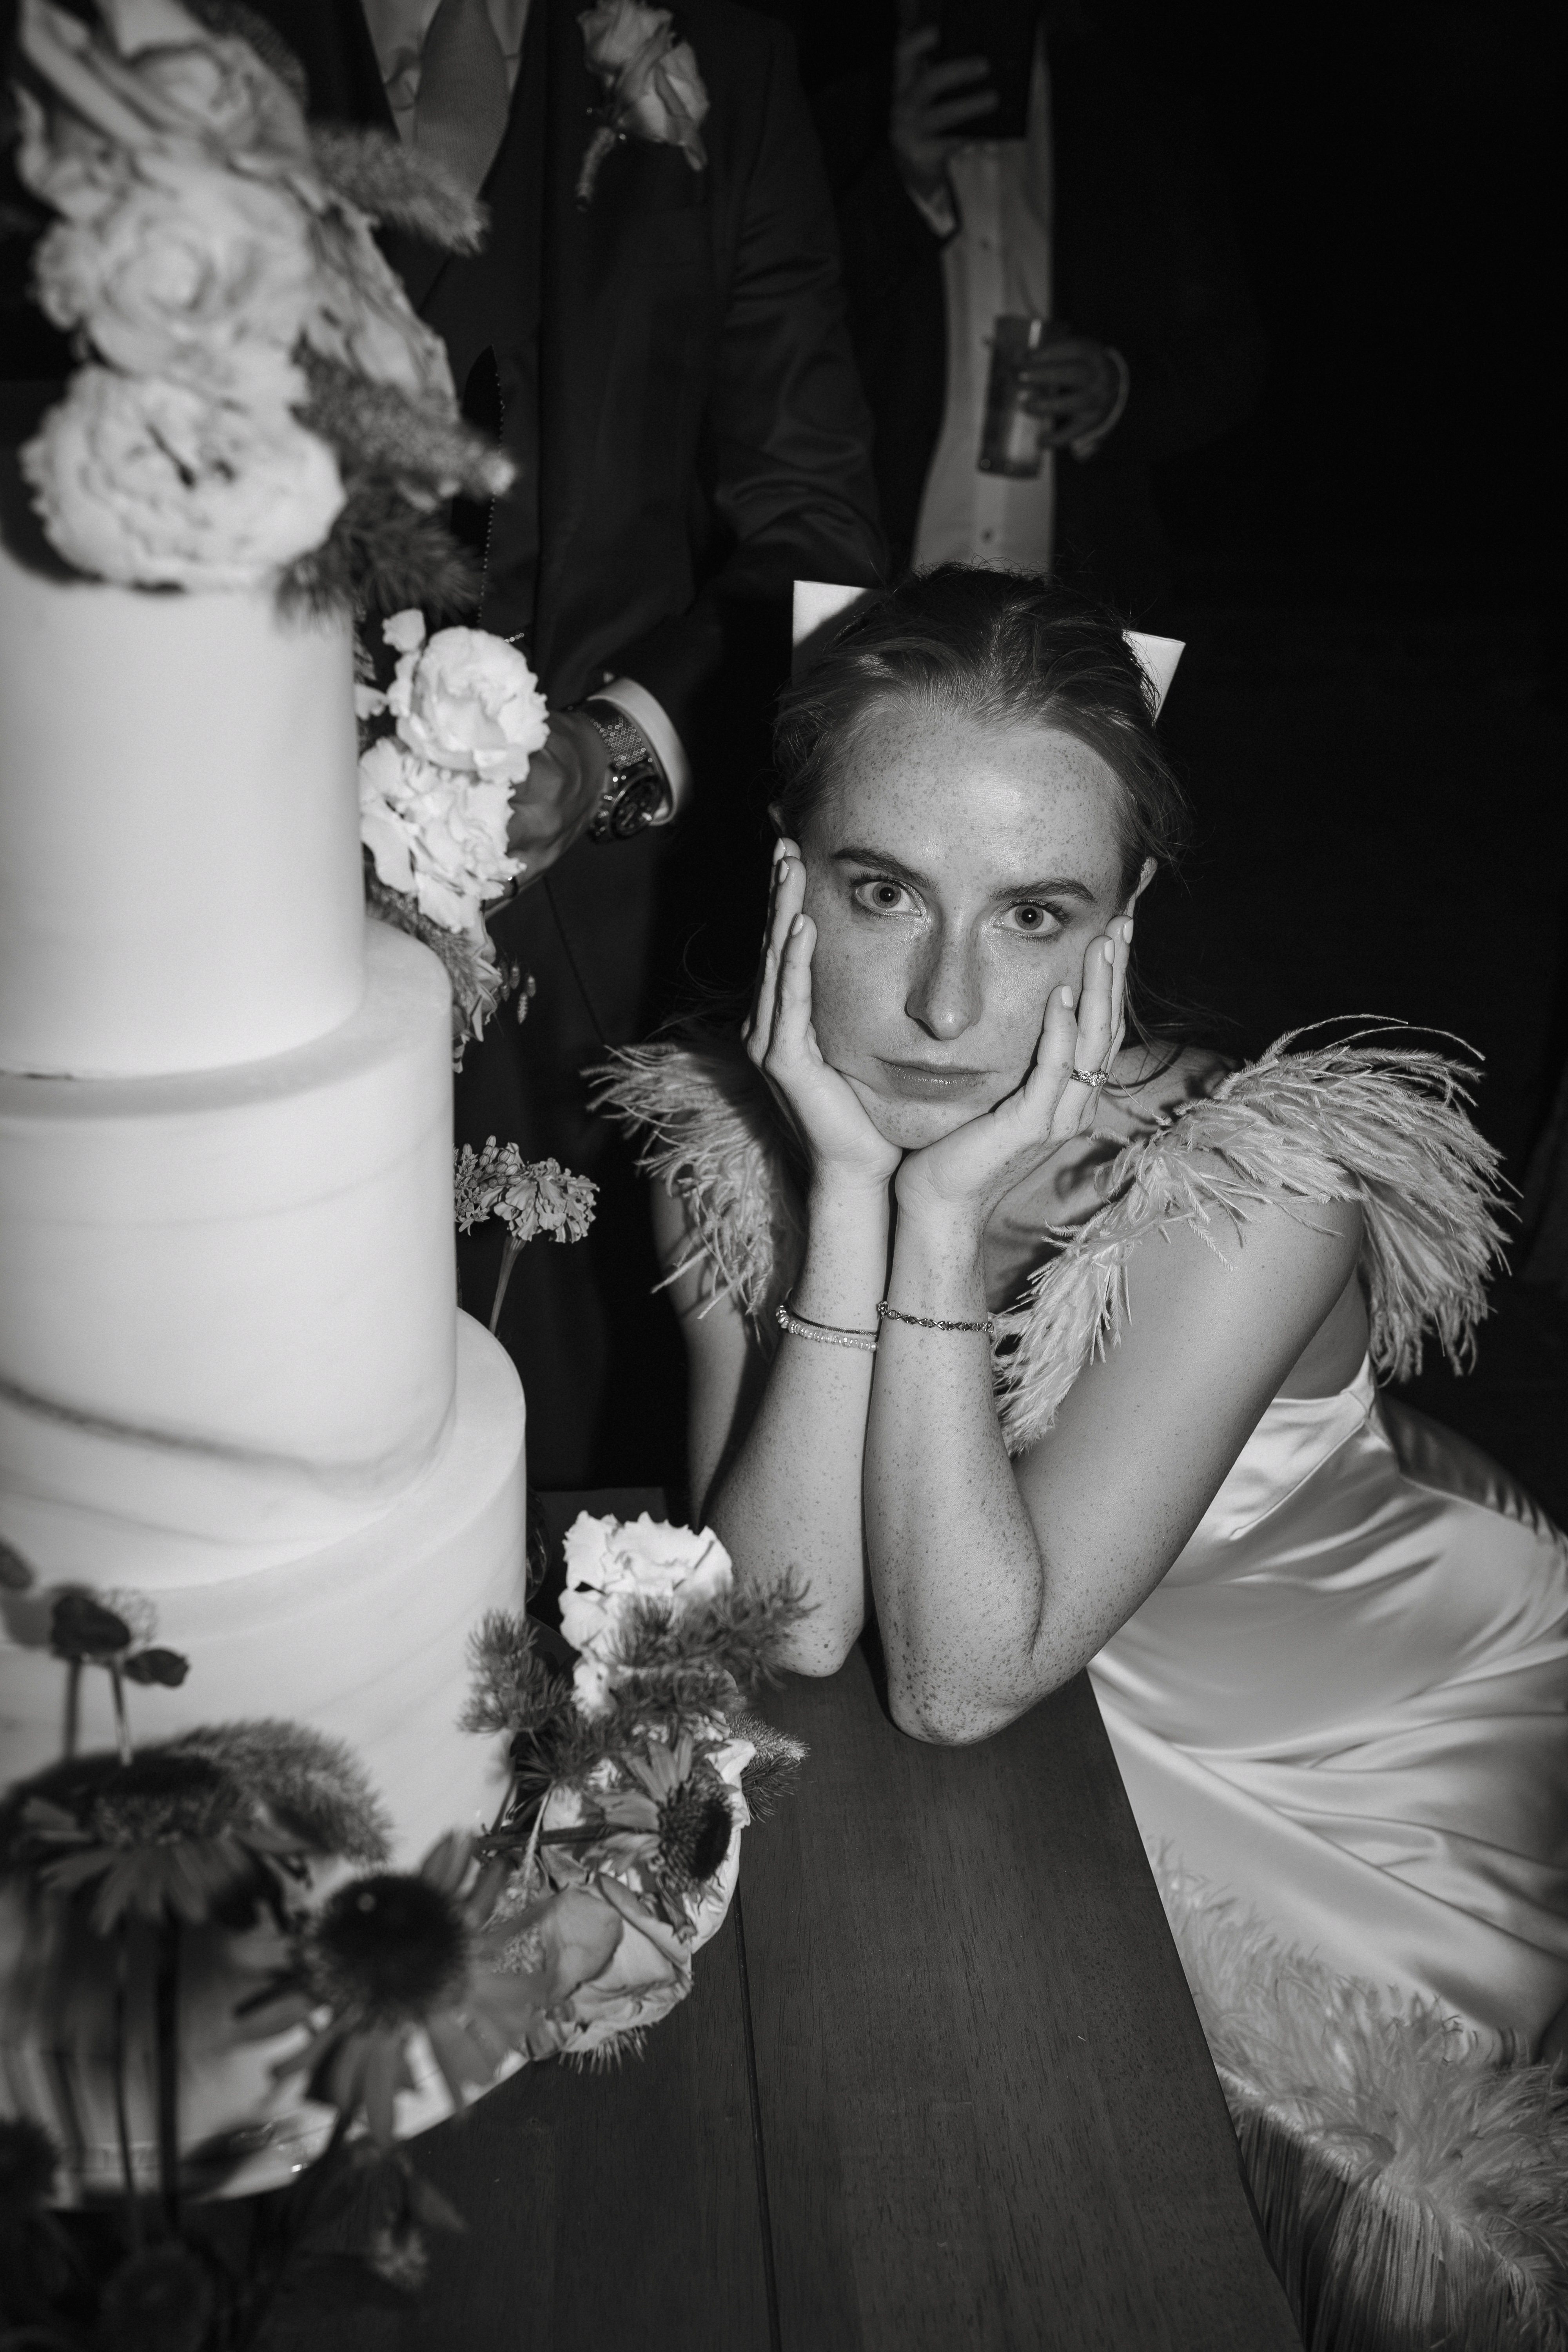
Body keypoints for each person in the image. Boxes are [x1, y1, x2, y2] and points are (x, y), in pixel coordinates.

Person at [597, 569, 1568, 2092]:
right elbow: (787, 1625)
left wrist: (941, 1219)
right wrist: (853, 1193)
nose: (944, 1002)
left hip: (1324, 1767)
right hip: (995, 1774)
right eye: (883, 891)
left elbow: (956, 1684)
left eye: (1034, 914)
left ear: (1119, 928)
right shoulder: (718, 1145)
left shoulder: (1257, 1189)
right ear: (788, 885)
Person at [244, 0, 886, 1480]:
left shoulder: (727, 49)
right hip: (231, 893)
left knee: (579, 1456)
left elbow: (814, 526)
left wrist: (610, 749)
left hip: (603, 959)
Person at [826, 0, 1265, 607]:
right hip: (871, 595)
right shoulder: (830, 113)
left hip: (1084, 601)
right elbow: (788, 344)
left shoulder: (1141, 122)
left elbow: (1228, 354)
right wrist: (902, 184)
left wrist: (1119, 390)